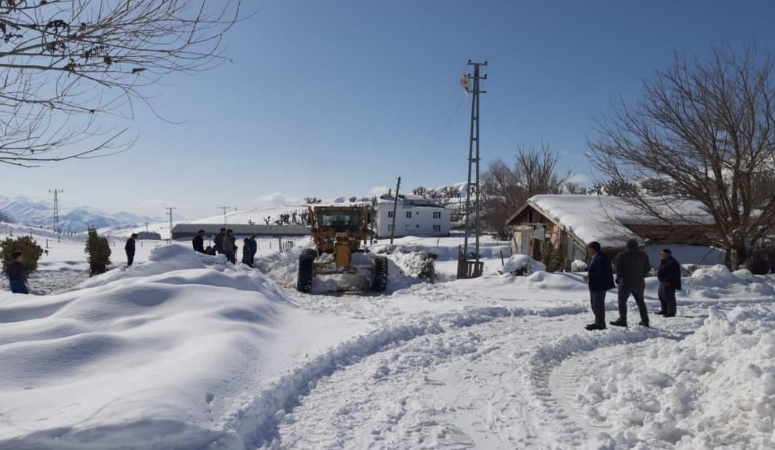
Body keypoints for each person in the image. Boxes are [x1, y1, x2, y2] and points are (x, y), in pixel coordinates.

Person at [611, 239, 651, 328]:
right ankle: (645, 320)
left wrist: (618, 279)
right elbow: (647, 268)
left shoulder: (622, 255)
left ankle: (622, 319)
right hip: (639, 282)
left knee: (622, 301)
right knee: (640, 301)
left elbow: (618, 269)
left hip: (625, 282)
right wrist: (641, 275)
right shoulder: (643, 255)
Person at [583, 242, 615, 331]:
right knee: (595, 304)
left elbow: (600, 272)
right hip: (595, 284)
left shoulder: (601, 258)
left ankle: (600, 323)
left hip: (600, 285)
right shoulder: (597, 257)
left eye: (589, 249)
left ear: (593, 249)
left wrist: (589, 276)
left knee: (598, 304)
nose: (588, 251)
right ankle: (599, 322)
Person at [657, 249, 681, 317]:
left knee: (669, 297)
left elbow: (673, 274)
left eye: (662, 254)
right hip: (662, 282)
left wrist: (667, 281)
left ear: (667, 255)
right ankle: (664, 310)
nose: (661, 255)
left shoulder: (672, 262)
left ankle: (671, 312)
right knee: (662, 296)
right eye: (661, 254)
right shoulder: (664, 261)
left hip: (669, 283)